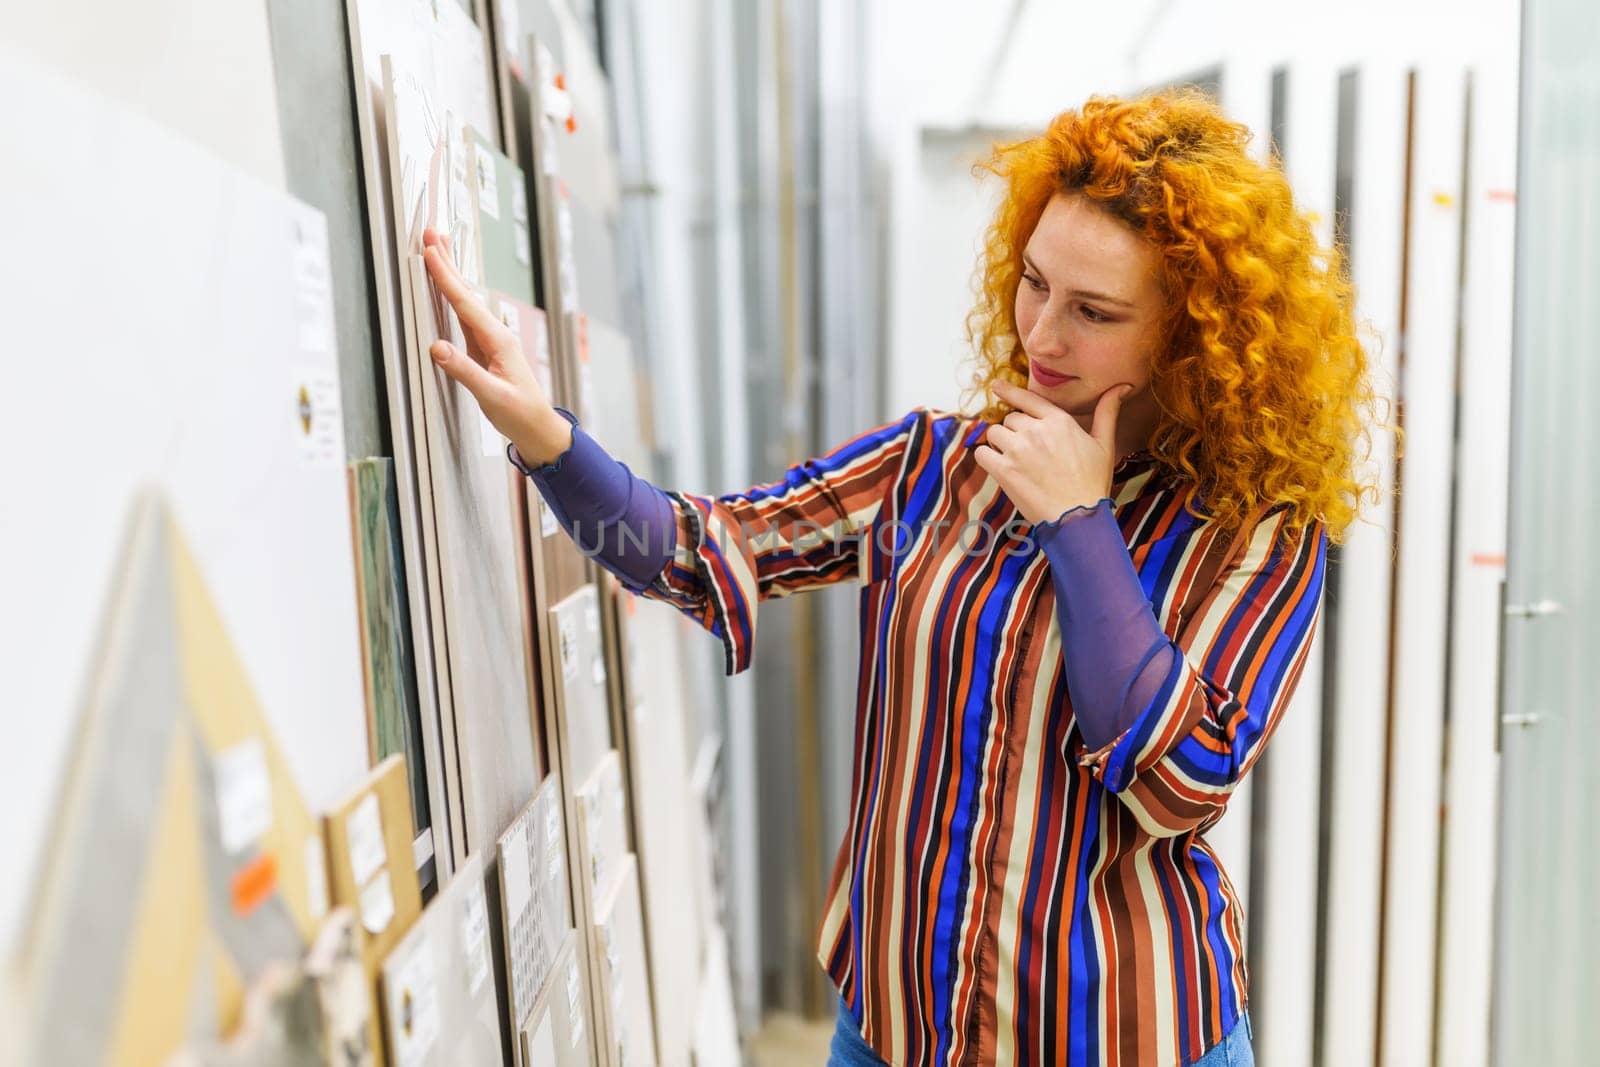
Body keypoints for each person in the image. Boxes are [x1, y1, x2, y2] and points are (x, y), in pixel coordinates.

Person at [420, 88, 1377, 1067]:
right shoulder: (933, 468)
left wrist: (1079, 524)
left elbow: (1180, 781)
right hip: (892, 1027)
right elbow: (710, 549)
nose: (1041, 335)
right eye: (1034, 282)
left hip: (1125, 1037)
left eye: (1093, 311)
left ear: (1189, 336)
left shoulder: (1252, 526)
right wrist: (544, 435)